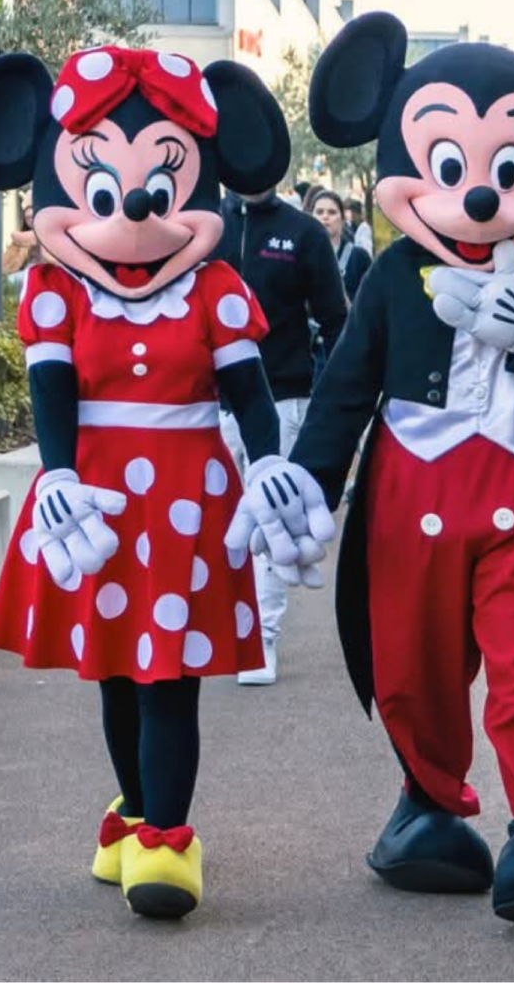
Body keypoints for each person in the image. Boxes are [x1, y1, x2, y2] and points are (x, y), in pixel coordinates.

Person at [228, 10, 514, 928]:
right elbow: (346, 387)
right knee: (412, 660)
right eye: (451, 168)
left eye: (508, 170)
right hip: (412, 494)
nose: (480, 198)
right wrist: (308, 482)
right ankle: (426, 806)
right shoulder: (391, 279)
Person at [0, 45, 320, 920]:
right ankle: (133, 810)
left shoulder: (216, 289)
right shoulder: (54, 291)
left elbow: (250, 396)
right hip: (96, 507)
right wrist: (56, 475)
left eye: (161, 183)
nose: (137, 208)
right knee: (117, 673)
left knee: (170, 677)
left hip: (187, 503)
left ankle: (166, 838)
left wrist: (269, 460)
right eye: (102, 186)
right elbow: (52, 396)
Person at [214, 181, 348, 685]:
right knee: (214, 525)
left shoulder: (303, 232)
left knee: (272, 523)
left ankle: (261, 638)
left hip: (283, 399)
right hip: (208, 406)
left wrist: (331, 400)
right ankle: (217, 630)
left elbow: (336, 322)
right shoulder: (204, 225)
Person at [309, 187, 372, 302]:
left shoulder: (359, 257)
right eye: (319, 212)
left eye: (332, 212)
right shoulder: (300, 255)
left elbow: (371, 300)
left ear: (342, 219)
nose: (325, 217)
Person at [3, 194, 44, 291]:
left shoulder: (53, 238)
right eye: (27, 209)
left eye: (32, 208)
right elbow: (6, 270)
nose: (29, 214)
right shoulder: (17, 244)